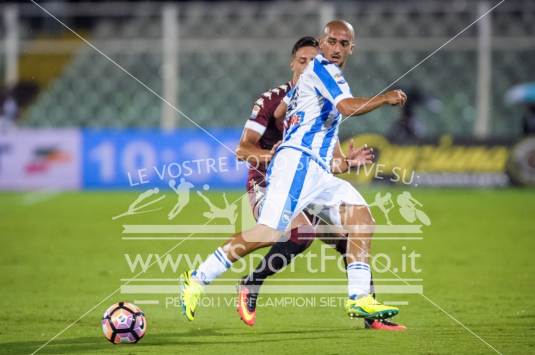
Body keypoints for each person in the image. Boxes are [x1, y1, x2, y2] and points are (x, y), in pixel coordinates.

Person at [179, 20, 406, 324]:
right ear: (322, 44)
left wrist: (334, 153)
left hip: (317, 170)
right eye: (332, 42)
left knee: (361, 218)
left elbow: (283, 112)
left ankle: (359, 299)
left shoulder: (309, 79)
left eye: (343, 43)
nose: (336, 48)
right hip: (297, 162)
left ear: (352, 48)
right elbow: (346, 106)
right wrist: (384, 97)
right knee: (268, 233)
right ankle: (198, 277)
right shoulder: (324, 70)